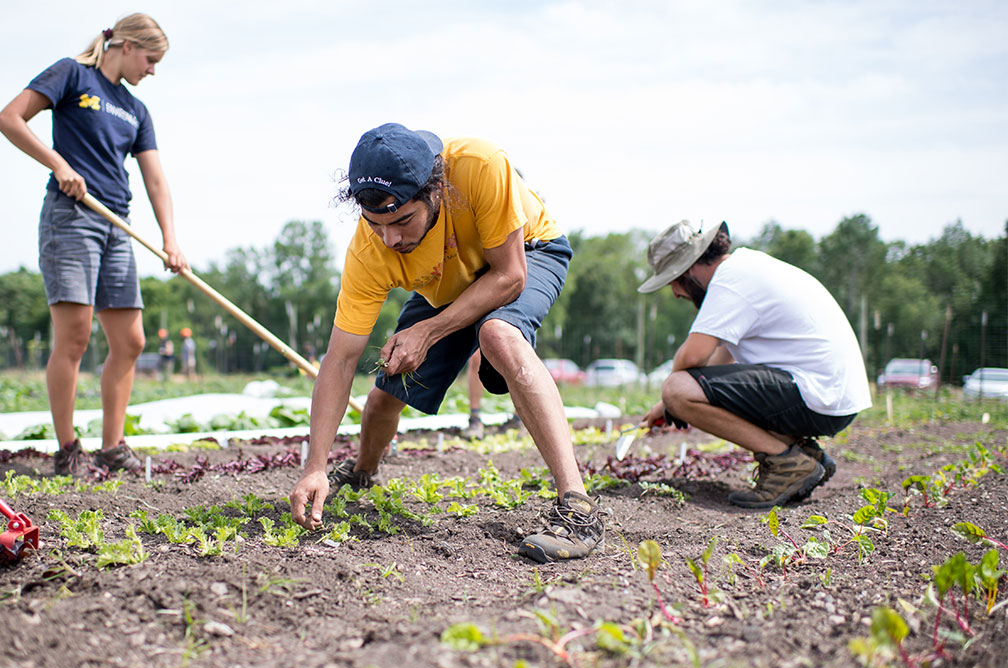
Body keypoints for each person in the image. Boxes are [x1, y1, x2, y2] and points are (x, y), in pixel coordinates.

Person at [289, 123, 603, 563]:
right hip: (447, 281)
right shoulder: (371, 250)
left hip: (527, 253)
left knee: (498, 335)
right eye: (376, 224)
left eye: (402, 220)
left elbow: (510, 276)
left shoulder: (480, 166)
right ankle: (360, 472)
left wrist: (429, 331)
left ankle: (579, 509)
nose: (391, 239)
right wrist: (315, 464)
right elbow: (340, 361)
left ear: (436, 190)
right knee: (383, 399)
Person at [0, 13, 187, 475]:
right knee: (75, 336)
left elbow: (155, 179)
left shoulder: (136, 110)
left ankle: (112, 447)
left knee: (131, 341)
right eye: (151, 58)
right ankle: (68, 450)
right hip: (72, 218)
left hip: (117, 224)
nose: (153, 70)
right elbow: (9, 118)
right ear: (125, 45)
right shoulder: (71, 74)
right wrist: (59, 164)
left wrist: (170, 239)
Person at [638, 220, 871, 508]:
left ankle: (787, 463)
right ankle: (802, 454)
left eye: (673, 280)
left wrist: (670, 400)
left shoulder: (729, 280)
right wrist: (672, 403)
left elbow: (691, 358)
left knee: (676, 387)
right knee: (686, 389)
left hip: (820, 392)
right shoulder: (747, 268)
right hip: (832, 393)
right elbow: (718, 367)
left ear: (689, 269)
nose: (675, 293)